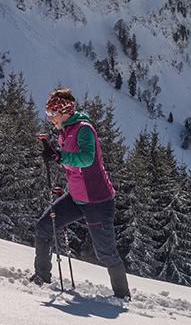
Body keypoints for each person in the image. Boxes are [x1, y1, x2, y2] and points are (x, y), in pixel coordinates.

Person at [31, 89, 130, 299]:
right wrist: (63, 181)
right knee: (44, 225)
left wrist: (59, 155)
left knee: (106, 252)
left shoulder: (85, 130)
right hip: (76, 197)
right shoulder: (64, 132)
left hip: (97, 201)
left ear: (65, 111)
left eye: (52, 113)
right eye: (48, 114)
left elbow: (86, 159)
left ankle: (122, 296)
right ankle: (41, 277)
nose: (50, 118)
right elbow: (73, 168)